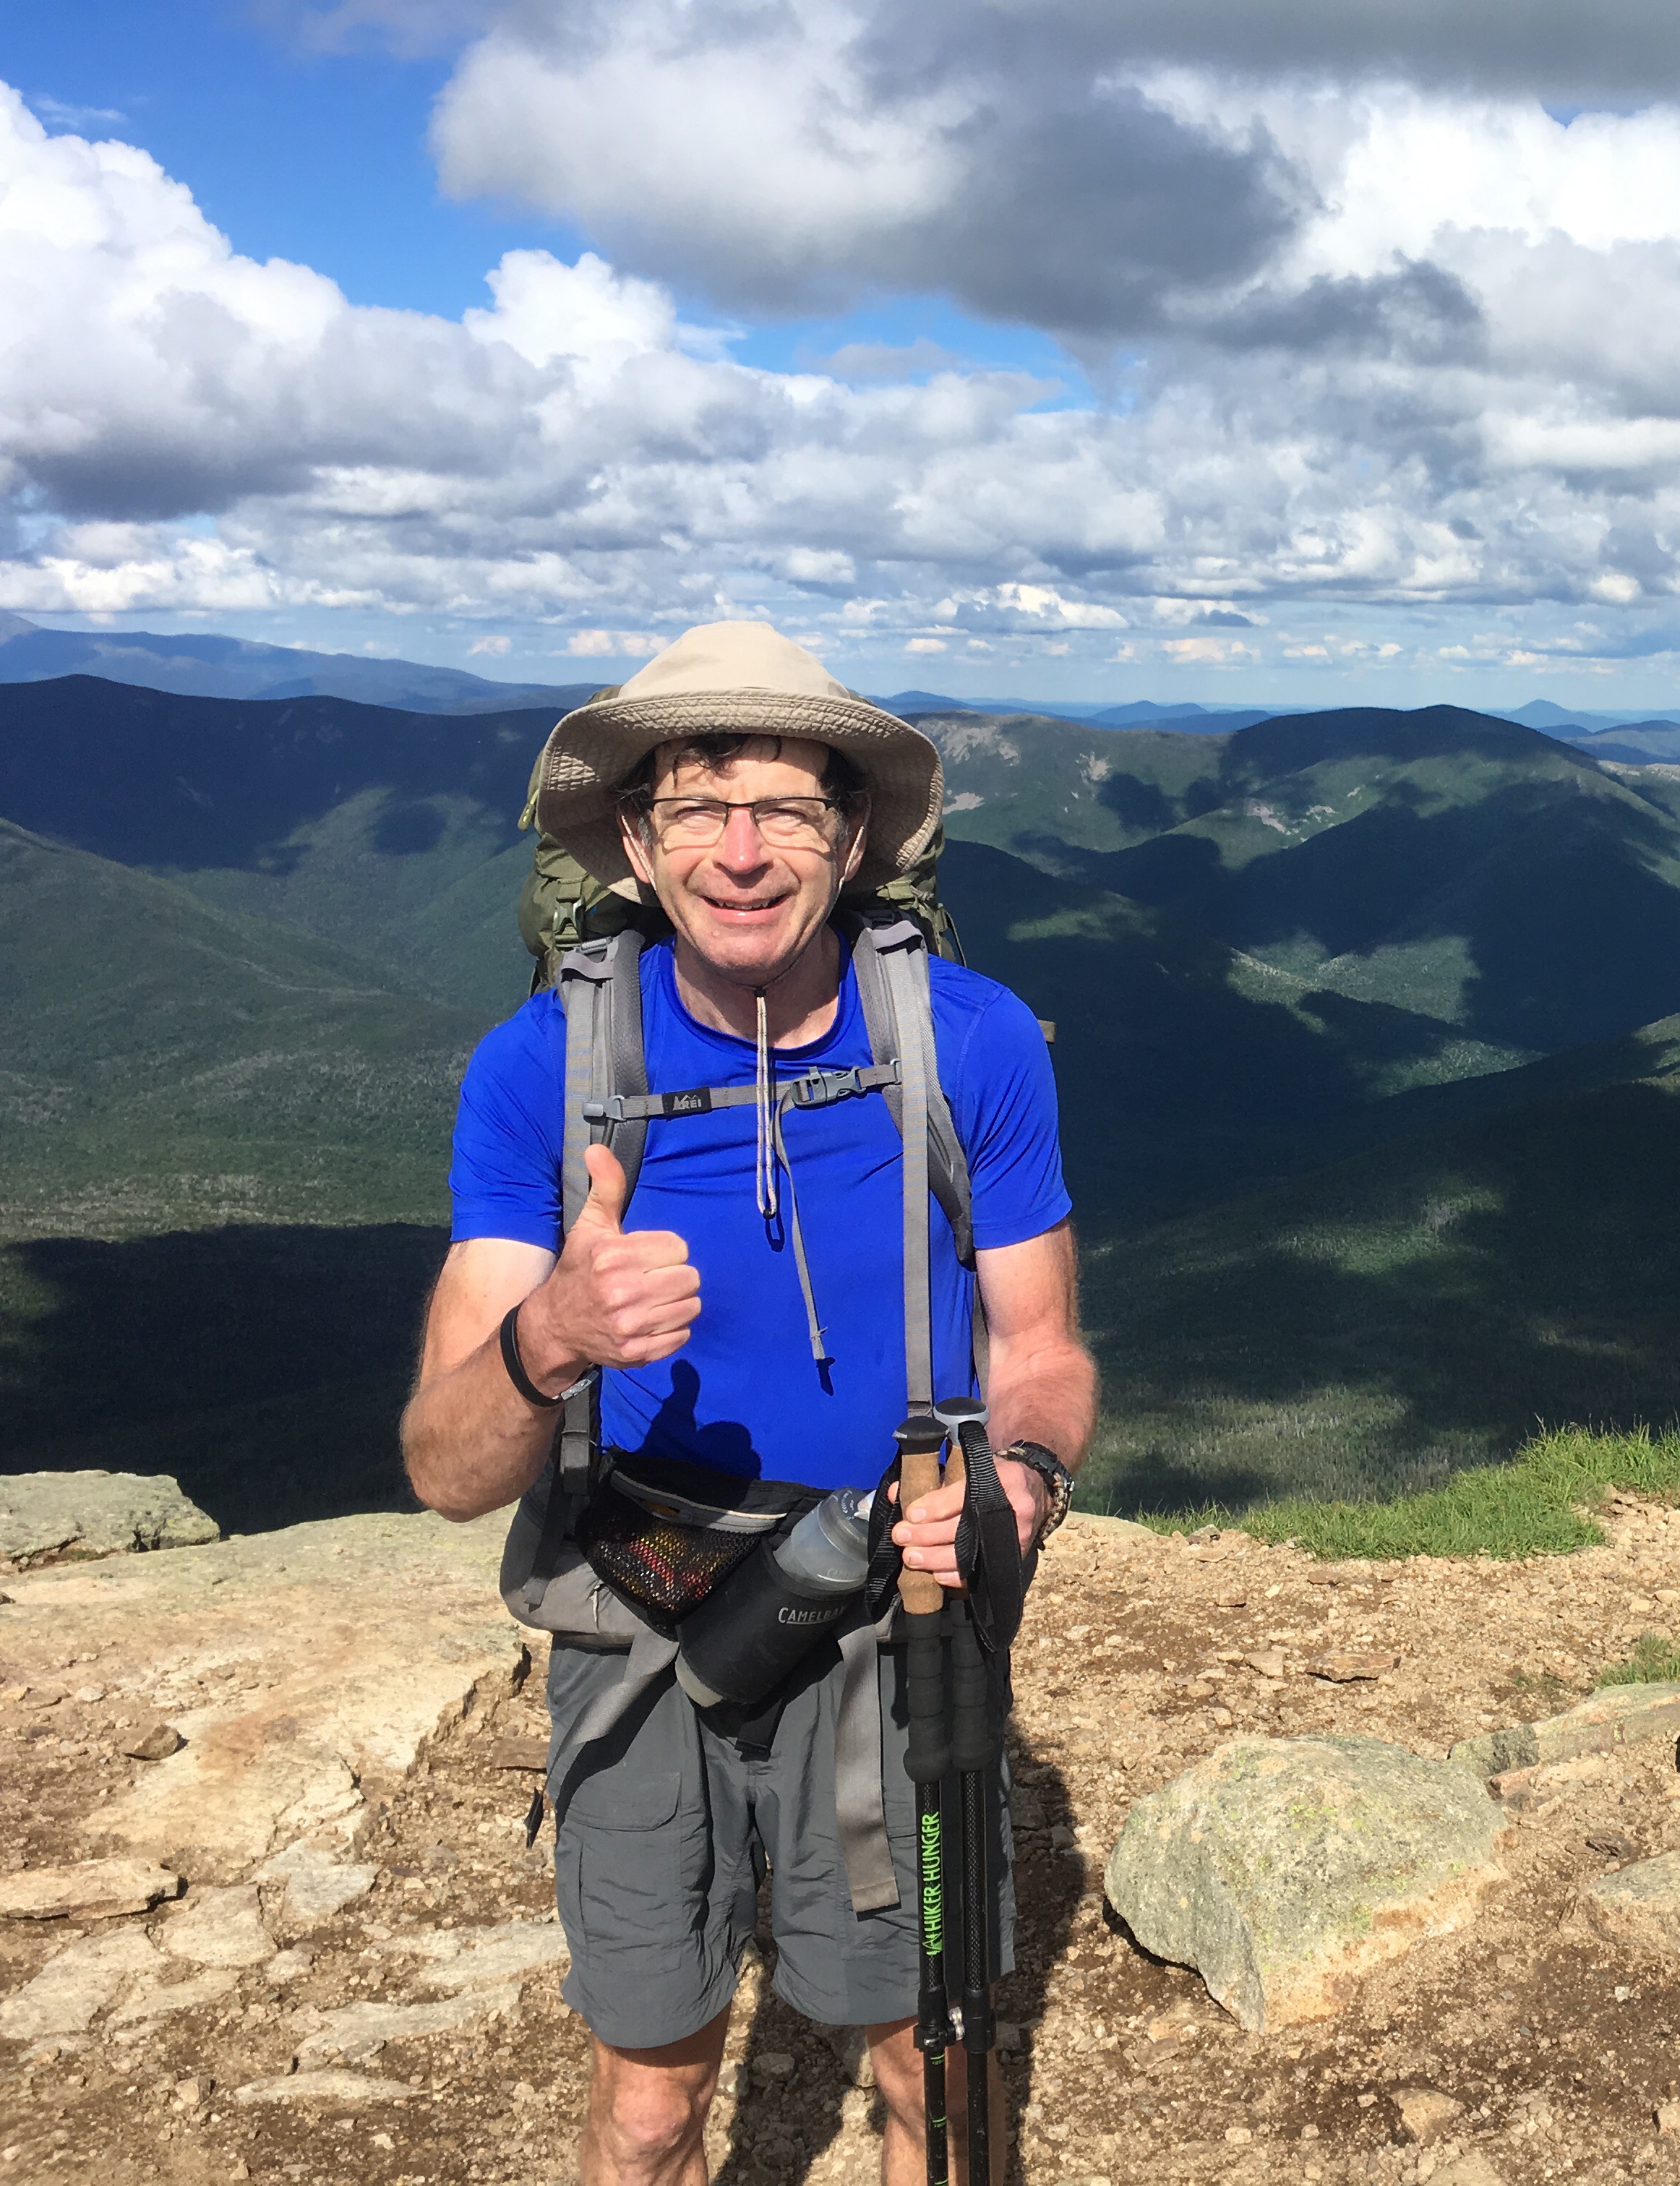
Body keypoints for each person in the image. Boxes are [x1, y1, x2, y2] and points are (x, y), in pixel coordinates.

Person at [401, 622, 1095, 2186]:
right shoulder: (541, 1070)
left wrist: (1023, 1476)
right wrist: (551, 1335)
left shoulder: (968, 1041)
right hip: (638, 1608)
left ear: (850, 841)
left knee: (927, 2063)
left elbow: (1042, 1345)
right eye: (698, 805)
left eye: (785, 806)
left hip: (897, 1614)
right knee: (651, 2097)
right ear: (635, 841)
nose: (740, 850)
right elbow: (445, 1465)